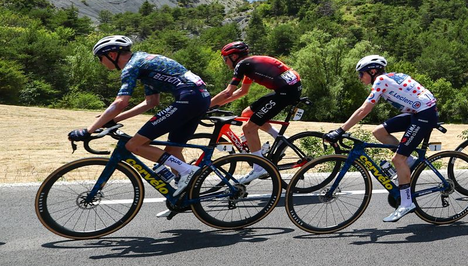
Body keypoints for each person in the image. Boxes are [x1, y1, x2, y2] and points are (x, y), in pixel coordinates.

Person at [70, 35, 211, 193]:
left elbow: (120, 102)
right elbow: (151, 102)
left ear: (112, 55)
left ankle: (188, 171)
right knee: (173, 150)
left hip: (188, 99)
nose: (100, 62)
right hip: (200, 98)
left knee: (134, 145)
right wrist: (114, 120)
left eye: (100, 58)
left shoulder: (131, 67)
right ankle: (185, 194)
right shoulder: (143, 63)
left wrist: (88, 131)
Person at [324, 55, 438, 223]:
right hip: (419, 111)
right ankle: (409, 162)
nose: (360, 78)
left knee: (397, 160)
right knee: (379, 132)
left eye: (361, 74)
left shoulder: (381, 81)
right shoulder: (390, 77)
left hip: (424, 114)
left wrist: (340, 130)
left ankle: (406, 203)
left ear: (372, 71)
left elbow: (364, 110)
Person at [208, 41, 303, 183]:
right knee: (246, 114)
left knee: (248, 128)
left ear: (234, 56)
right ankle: (281, 140)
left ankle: (259, 168)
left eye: (225, 59)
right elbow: (242, 91)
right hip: (287, 89)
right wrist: (217, 105)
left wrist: (206, 106)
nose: (225, 62)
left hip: (286, 92)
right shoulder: (249, 65)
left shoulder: (242, 65)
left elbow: (228, 92)